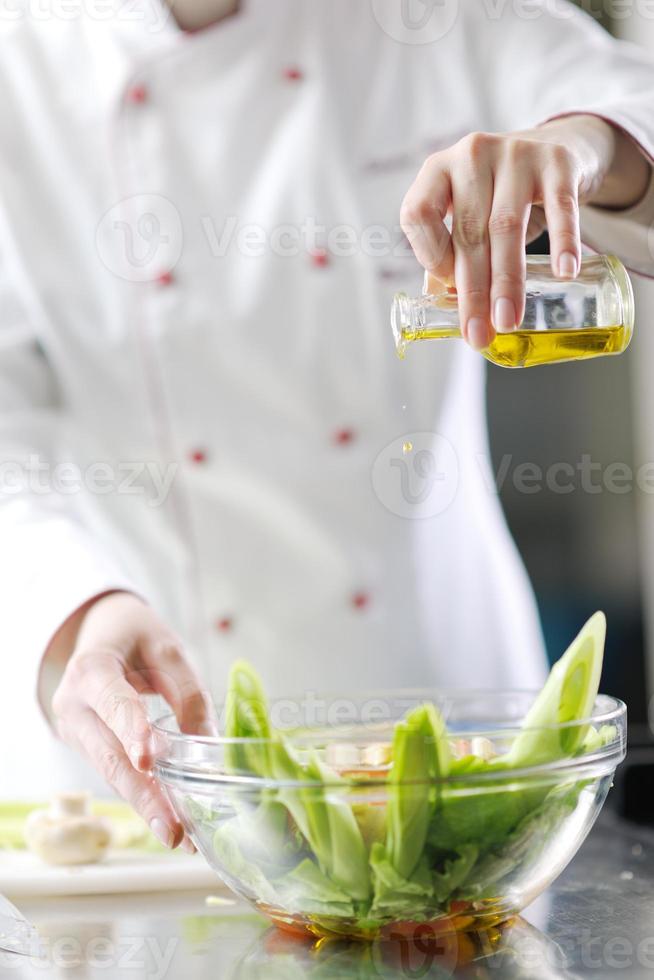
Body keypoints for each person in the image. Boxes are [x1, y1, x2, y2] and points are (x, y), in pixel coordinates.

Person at [2, 0, 654, 851]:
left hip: (451, 731)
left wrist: (581, 145)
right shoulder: (23, 59)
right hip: (155, 745)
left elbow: (622, 97)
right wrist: (74, 609)